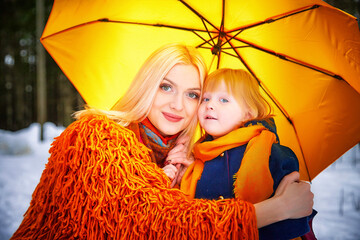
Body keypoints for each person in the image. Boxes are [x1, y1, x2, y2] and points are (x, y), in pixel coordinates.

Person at [11, 44, 313, 240]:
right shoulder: (96, 135)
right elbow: (153, 221)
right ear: (146, 87)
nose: (178, 105)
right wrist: (276, 209)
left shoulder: (172, 160)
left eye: (194, 94)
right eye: (166, 87)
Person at [180, 68, 316, 240]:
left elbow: (292, 217)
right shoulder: (199, 156)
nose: (210, 105)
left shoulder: (270, 154)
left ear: (248, 113)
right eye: (205, 98)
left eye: (224, 100)